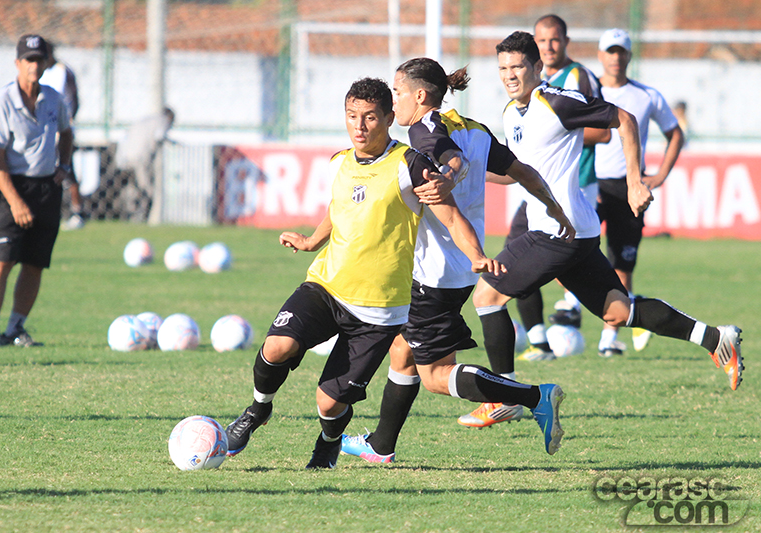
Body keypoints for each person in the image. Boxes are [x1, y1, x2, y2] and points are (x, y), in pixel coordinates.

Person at [222, 77, 565, 469]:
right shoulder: (339, 161)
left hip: (379, 309)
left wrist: (476, 254)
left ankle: (333, 441)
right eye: (352, 116)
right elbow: (339, 207)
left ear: (389, 119)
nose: (359, 126)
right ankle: (257, 410)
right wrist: (312, 242)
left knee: (332, 402)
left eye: (369, 117)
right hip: (326, 285)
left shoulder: (410, 163)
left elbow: (451, 216)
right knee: (278, 347)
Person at [460, 31, 742, 434]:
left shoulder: (556, 101)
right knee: (618, 312)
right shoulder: (510, 113)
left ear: (537, 67)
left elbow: (621, 120)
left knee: (488, 296)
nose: (510, 74)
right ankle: (716, 338)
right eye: (503, 68)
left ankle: (504, 399)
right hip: (572, 232)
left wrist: (633, 180)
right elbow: (519, 171)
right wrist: (465, 176)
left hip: (559, 231)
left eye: (518, 66)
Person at [339, 58, 573, 462]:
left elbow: (451, 160)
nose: (395, 100)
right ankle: (381, 445)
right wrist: (554, 207)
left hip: (433, 270)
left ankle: (534, 397)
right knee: (402, 351)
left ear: (420, 95)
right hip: (460, 266)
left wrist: (449, 173)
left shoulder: (424, 127)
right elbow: (524, 171)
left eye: (397, 92)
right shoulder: (476, 130)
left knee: (434, 376)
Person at [503, 15, 613, 367]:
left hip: (575, 184)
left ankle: (566, 318)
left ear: (565, 42)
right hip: (538, 192)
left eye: (554, 40)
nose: (549, 46)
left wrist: (564, 132)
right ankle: (540, 338)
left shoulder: (575, 80)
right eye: (542, 40)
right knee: (515, 259)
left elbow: (605, 128)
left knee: (497, 284)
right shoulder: (521, 98)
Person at [595, 29, 685, 357]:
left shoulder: (647, 96)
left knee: (622, 264)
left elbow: (675, 133)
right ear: (600, 54)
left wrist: (660, 175)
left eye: (622, 51)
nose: (616, 57)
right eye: (610, 51)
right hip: (590, 183)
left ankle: (610, 338)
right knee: (566, 247)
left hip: (628, 187)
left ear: (629, 56)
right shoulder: (588, 90)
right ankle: (570, 309)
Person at [0, 34, 73, 347]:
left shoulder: (54, 98)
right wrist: (15, 202)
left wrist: (65, 166)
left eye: (40, 59)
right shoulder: (3, 101)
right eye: (29, 59)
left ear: (47, 63)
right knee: (3, 259)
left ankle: (16, 328)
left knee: (35, 262)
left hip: (47, 187)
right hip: (13, 186)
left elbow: (67, 132)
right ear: (18, 63)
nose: (34, 65)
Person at [40, 40, 86, 230]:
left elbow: (72, 101)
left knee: (66, 171)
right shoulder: (40, 73)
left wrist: (64, 124)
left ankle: (78, 213)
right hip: (41, 132)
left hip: (60, 132)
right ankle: (43, 211)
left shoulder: (62, 71)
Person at [115, 107, 175, 222]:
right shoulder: (162, 121)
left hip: (126, 156)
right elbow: (159, 136)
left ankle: (129, 213)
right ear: (170, 117)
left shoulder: (143, 120)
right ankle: (142, 217)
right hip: (142, 157)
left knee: (132, 187)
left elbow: (125, 136)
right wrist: (171, 143)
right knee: (147, 189)